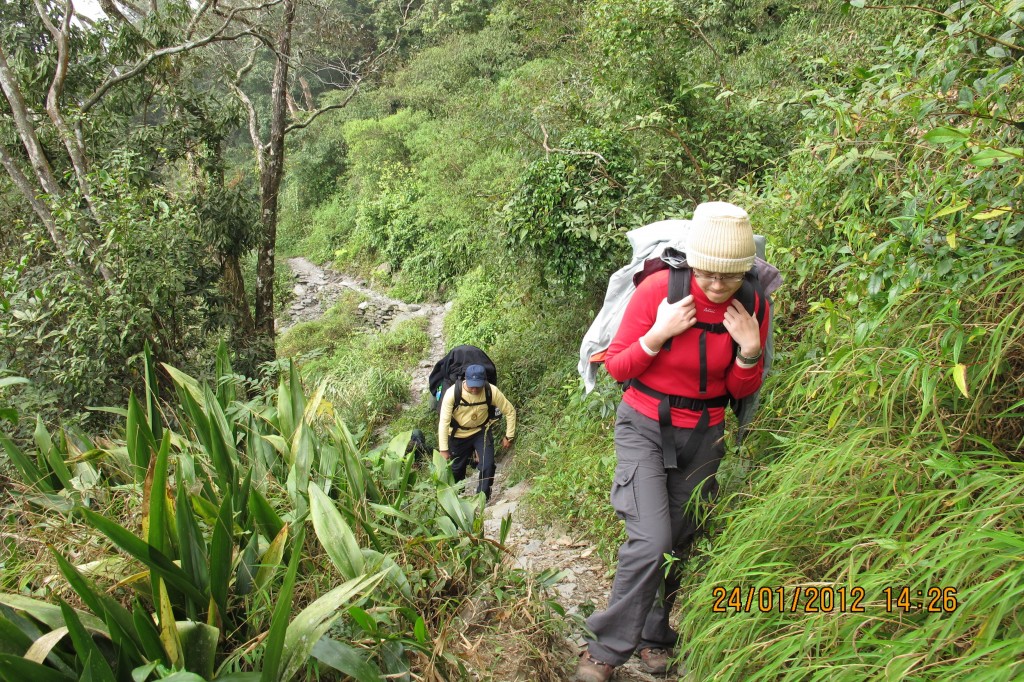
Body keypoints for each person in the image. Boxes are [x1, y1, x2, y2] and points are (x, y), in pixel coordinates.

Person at [575, 202, 771, 682]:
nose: (718, 285)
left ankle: (655, 635)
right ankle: (603, 651)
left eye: (730, 275)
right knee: (652, 539)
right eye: (708, 272)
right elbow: (618, 367)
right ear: (691, 258)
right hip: (643, 425)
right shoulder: (660, 290)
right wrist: (658, 334)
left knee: (679, 542)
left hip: (704, 434)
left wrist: (750, 351)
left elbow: (740, 392)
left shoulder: (751, 306)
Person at [438, 364, 517, 501]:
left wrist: (508, 436)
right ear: (465, 380)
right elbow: (443, 422)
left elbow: (510, 411)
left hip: (481, 432)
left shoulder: (491, 391)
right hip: (458, 435)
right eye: (471, 385)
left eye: (478, 385)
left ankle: (482, 498)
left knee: (488, 464)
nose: (474, 389)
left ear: (484, 381)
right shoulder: (452, 393)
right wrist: (443, 449)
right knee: (456, 469)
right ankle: (457, 496)